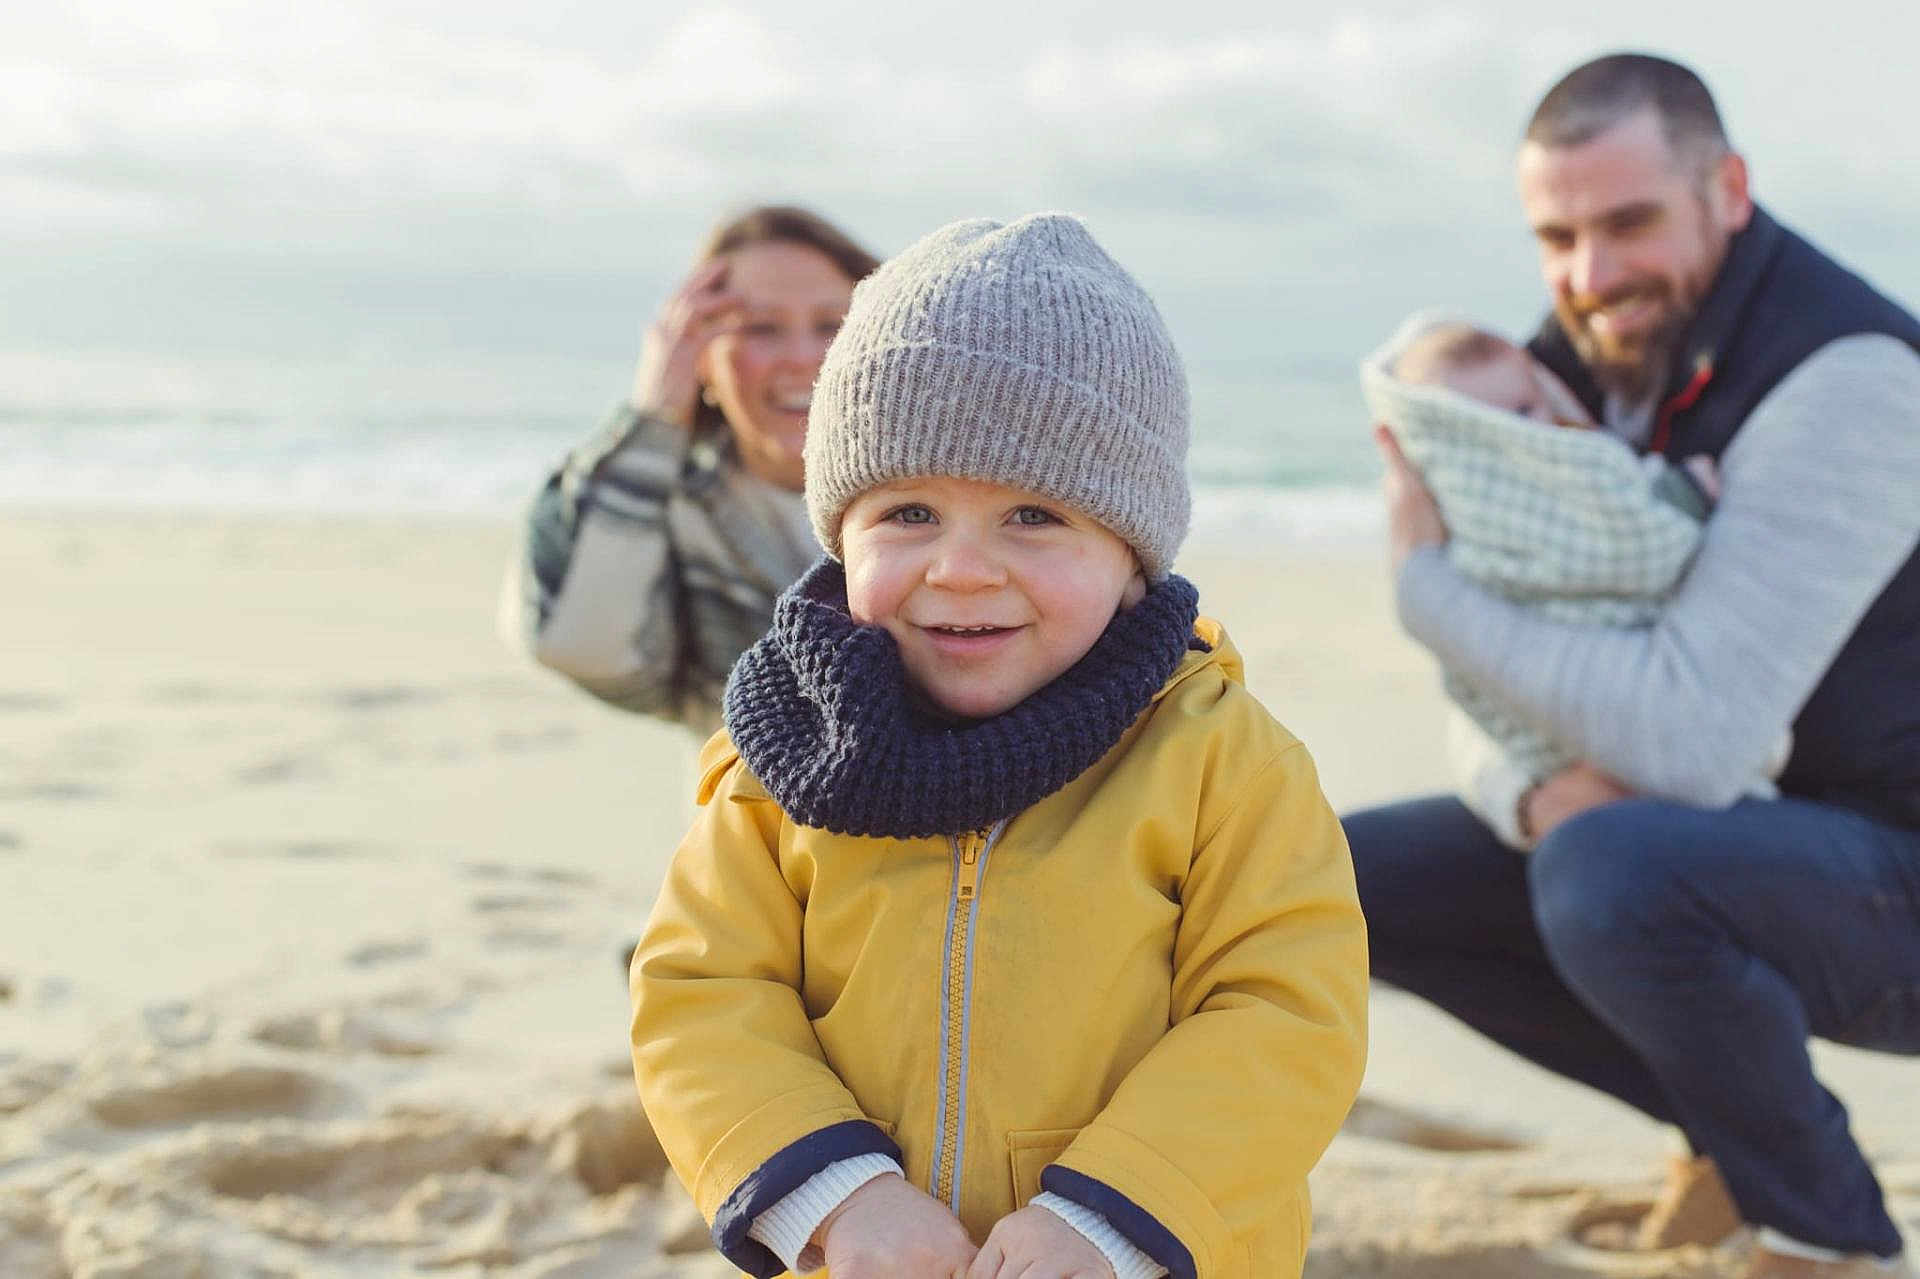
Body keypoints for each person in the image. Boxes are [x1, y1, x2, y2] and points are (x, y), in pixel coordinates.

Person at [629, 214, 1368, 1278]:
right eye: (910, 511)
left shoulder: (1220, 759)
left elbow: (1286, 1010)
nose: (962, 569)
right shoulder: (782, 759)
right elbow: (702, 992)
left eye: (1032, 516)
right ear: (841, 535)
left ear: (1132, 557)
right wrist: (840, 1196)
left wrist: (1110, 1214)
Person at [1349, 52, 1920, 1278]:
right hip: (1730, 838)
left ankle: (1827, 1230)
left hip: (1894, 867)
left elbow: (1694, 745)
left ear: (1730, 187)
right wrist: (1527, 791)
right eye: (1555, 235)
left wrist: (1426, 594)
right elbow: (1514, 672)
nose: (1589, 278)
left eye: (1627, 223)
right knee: (1332, 880)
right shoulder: (1575, 357)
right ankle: (1725, 1132)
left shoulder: (1860, 381)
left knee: (1614, 868)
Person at [1364, 316, 1774, 848]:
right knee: (1355, 865)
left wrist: (1422, 588)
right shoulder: (1458, 496)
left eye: (1523, 411)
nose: (1518, 436)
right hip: (1534, 755)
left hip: (1670, 738)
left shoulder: (1788, 378)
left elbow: (1634, 545)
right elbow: (1645, 536)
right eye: (1484, 425)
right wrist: (1528, 800)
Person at [499, 206, 881, 735]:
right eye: (761, 327)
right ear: (700, 356)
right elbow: (582, 648)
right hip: (750, 815)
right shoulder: (672, 514)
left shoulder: (955, 491)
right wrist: (654, 415)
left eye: (831, 325)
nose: (802, 356)